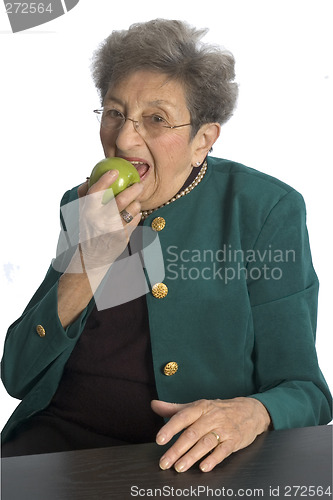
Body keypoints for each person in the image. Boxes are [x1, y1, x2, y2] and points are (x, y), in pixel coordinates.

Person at [1, 19, 332, 472]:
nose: (121, 139)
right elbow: (18, 374)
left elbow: (306, 393)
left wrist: (251, 413)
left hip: (190, 458)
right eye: (114, 113)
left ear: (204, 140)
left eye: (155, 119)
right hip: (55, 444)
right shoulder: (88, 203)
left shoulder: (263, 210)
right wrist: (90, 259)